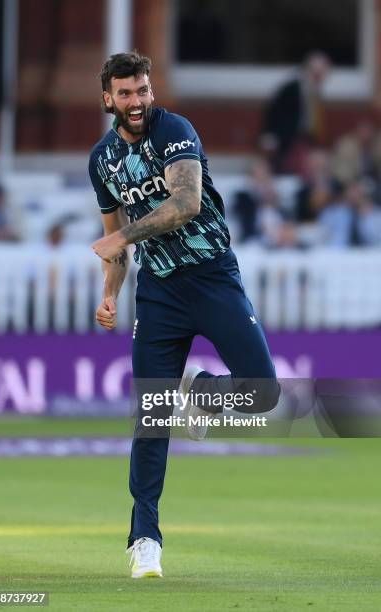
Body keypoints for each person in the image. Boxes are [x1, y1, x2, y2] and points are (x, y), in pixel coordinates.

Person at [89, 52, 280, 579]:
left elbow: (187, 202)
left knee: (263, 391)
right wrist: (110, 294)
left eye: (143, 91)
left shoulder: (174, 129)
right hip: (158, 295)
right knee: (150, 419)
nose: (136, 102)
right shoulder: (102, 160)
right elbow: (116, 250)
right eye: (125, 93)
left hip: (213, 277)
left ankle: (198, 395)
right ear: (108, 98)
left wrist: (121, 236)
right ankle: (144, 538)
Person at [260, 52, 331, 174]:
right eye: (316, 75)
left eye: (322, 75)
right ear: (307, 71)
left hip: (306, 142)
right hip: (288, 142)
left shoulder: (315, 94)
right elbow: (273, 113)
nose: (319, 79)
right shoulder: (291, 90)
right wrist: (269, 135)